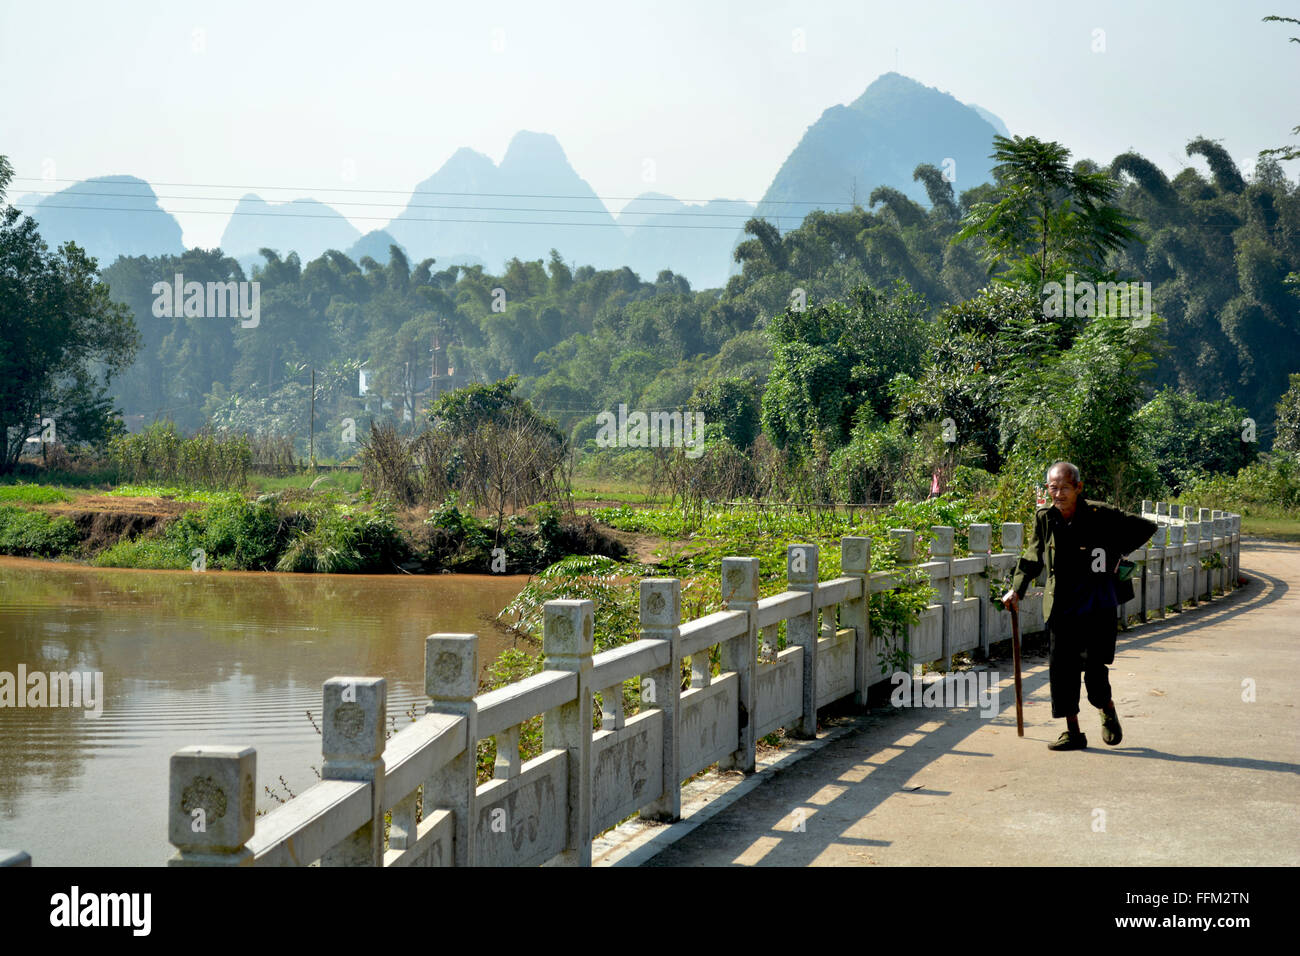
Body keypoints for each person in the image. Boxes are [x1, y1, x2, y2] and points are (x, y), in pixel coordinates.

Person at [1000, 461, 1158, 751]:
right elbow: (1033, 555)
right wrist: (1017, 589)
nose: (1058, 494)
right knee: (1061, 670)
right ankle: (1073, 731)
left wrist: (1116, 552)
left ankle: (1106, 709)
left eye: (1064, 488)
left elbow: (1147, 526)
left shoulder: (1101, 514)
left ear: (1078, 488)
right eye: (1052, 488)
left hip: (1098, 604)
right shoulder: (1046, 517)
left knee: (1095, 669)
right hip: (1062, 605)